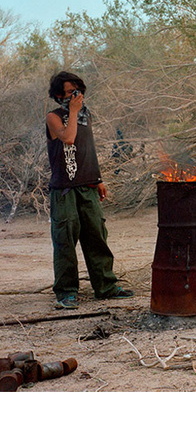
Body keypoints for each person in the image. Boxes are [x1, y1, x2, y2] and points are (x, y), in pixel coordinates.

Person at [46, 70, 133, 309]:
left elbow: (88, 149)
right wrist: (72, 112)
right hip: (64, 190)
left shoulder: (86, 115)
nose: (76, 96)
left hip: (87, 186)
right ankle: (66, 292)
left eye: (79, 92)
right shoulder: (53, 117)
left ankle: (105, 287)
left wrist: (98, 179)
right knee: (65, 241)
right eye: (70, 92)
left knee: (97, 237)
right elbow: (69, 138)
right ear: (57, 95)